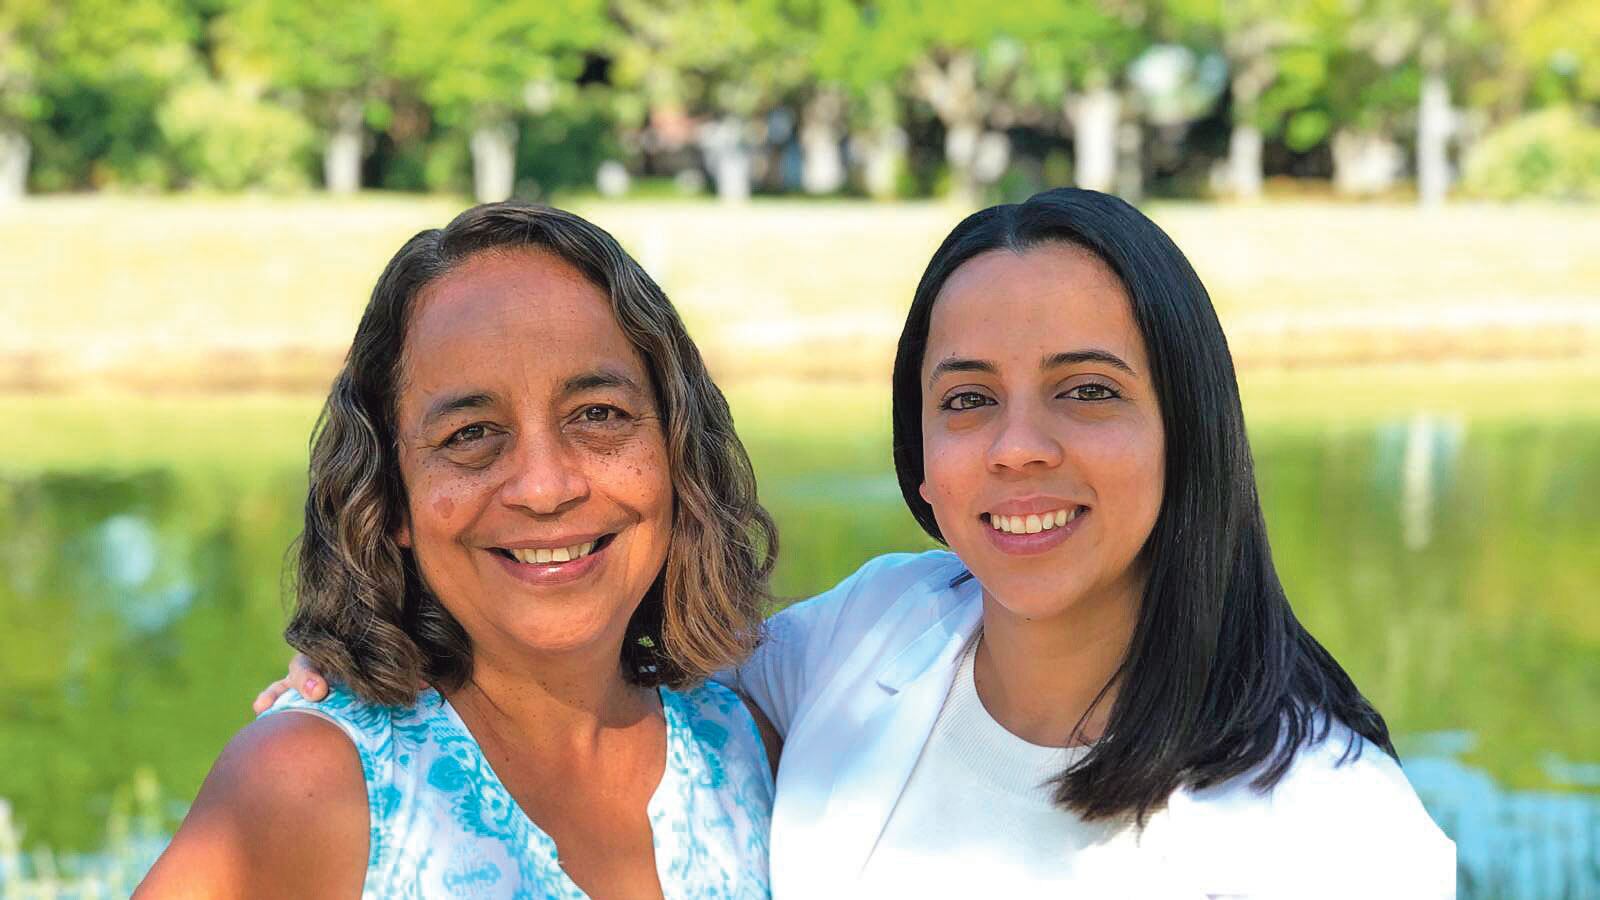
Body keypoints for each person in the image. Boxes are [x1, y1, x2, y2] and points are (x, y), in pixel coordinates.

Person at [260, 189, 1456, 896]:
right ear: (920, 459)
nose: (1017, 450)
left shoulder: (1335, 830)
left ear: (1189, 428)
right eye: (966, 398)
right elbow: (598, 647)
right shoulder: (868, 639)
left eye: (1087, 392)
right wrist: (362, 690)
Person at [141, 203, 778, 899]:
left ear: (676, 452)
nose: (544, 487)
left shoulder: (750, 750)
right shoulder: (310, 785)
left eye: (598, 415)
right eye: (471, 433)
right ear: (391, 498)